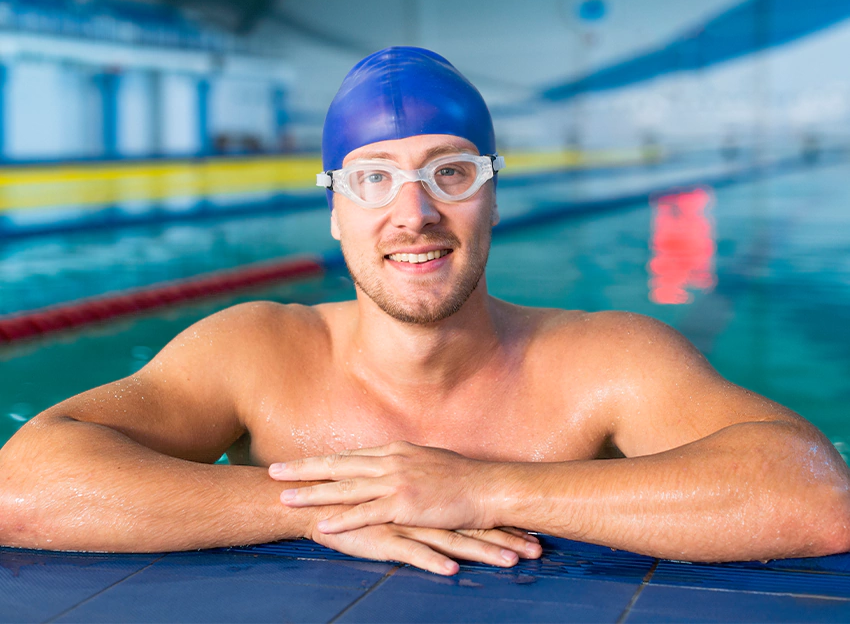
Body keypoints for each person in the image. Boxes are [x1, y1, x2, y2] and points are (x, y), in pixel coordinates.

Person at [1, 47, 848, 577]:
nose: (413, 214)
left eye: (451, 173)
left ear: (493, 196)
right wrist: (335, 505)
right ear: (335, 213)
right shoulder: (254, 348)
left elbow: (815, 496)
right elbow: (21, 485)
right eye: (373, 178)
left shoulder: (606, 358)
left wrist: (480, 489)